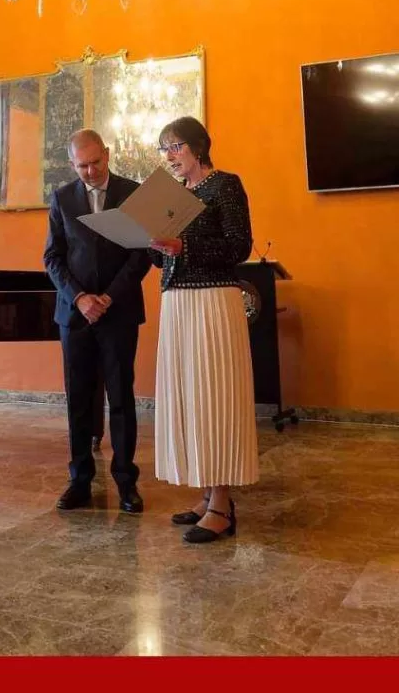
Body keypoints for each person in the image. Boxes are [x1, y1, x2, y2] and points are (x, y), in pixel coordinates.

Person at [148, 116, 259, 544]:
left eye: (175, 146)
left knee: (215, 396)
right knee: (189, 398)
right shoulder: (174, 195)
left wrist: (183, 245)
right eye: (164, 149)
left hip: (212, 301)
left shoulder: (225, 185)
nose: (170, 156)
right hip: (177, 303)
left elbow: (238, 246)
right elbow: (163, 259)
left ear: (198, 146)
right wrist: (152, 241)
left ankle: (223, 505)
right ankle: (207, 495)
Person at [44, 129, 152, 513]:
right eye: (82, 166)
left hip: (118, 312)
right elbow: (53, 258)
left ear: (107, 154)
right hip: (75, 315)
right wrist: (81, 297)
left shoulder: (133, 193)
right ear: (71, 164)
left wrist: (107, 297)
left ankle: (126, 481)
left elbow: (141, 255)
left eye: (96, 162)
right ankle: (79, 481)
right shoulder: (61, 198)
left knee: (120, 397)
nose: (91, 172)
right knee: (78, 399)